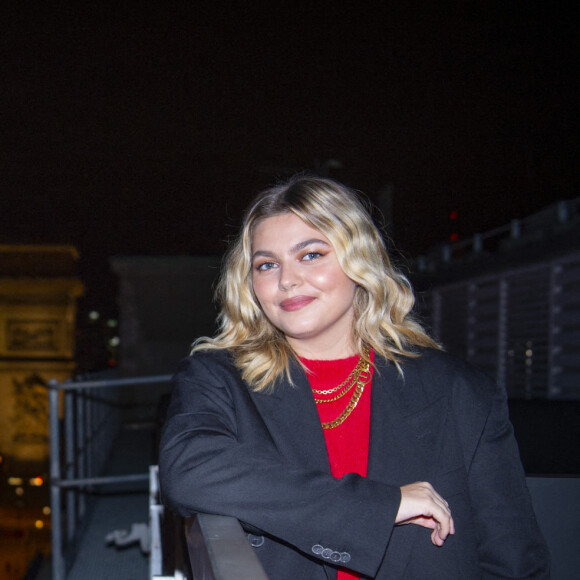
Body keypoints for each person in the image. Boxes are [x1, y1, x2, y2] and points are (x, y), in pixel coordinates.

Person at [159, 175, 550, 579]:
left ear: (358, 260)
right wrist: (379, 508)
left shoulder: (459, 391)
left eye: (310, 255)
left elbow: (515, 561)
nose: (286, 280)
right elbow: (188, 468)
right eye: (267, 264)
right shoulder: (220, 377)